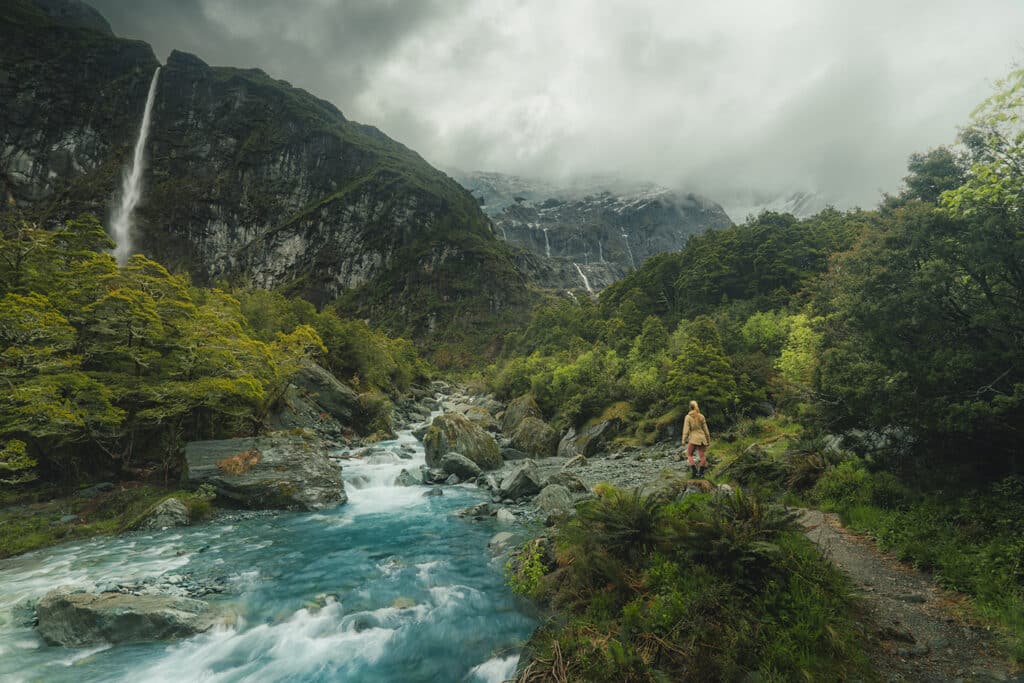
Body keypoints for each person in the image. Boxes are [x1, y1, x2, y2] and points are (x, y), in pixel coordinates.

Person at [681, 400, 711, 478]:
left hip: (693, 438)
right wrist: (708, 439)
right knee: (702, 456)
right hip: (702, 438)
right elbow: (706, 429)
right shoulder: (701, 416)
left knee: (689, 454)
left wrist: (683, 440)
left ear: (690, 407)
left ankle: (694, 471)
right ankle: (701, 473)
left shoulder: (688, 417)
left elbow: (686, 429)